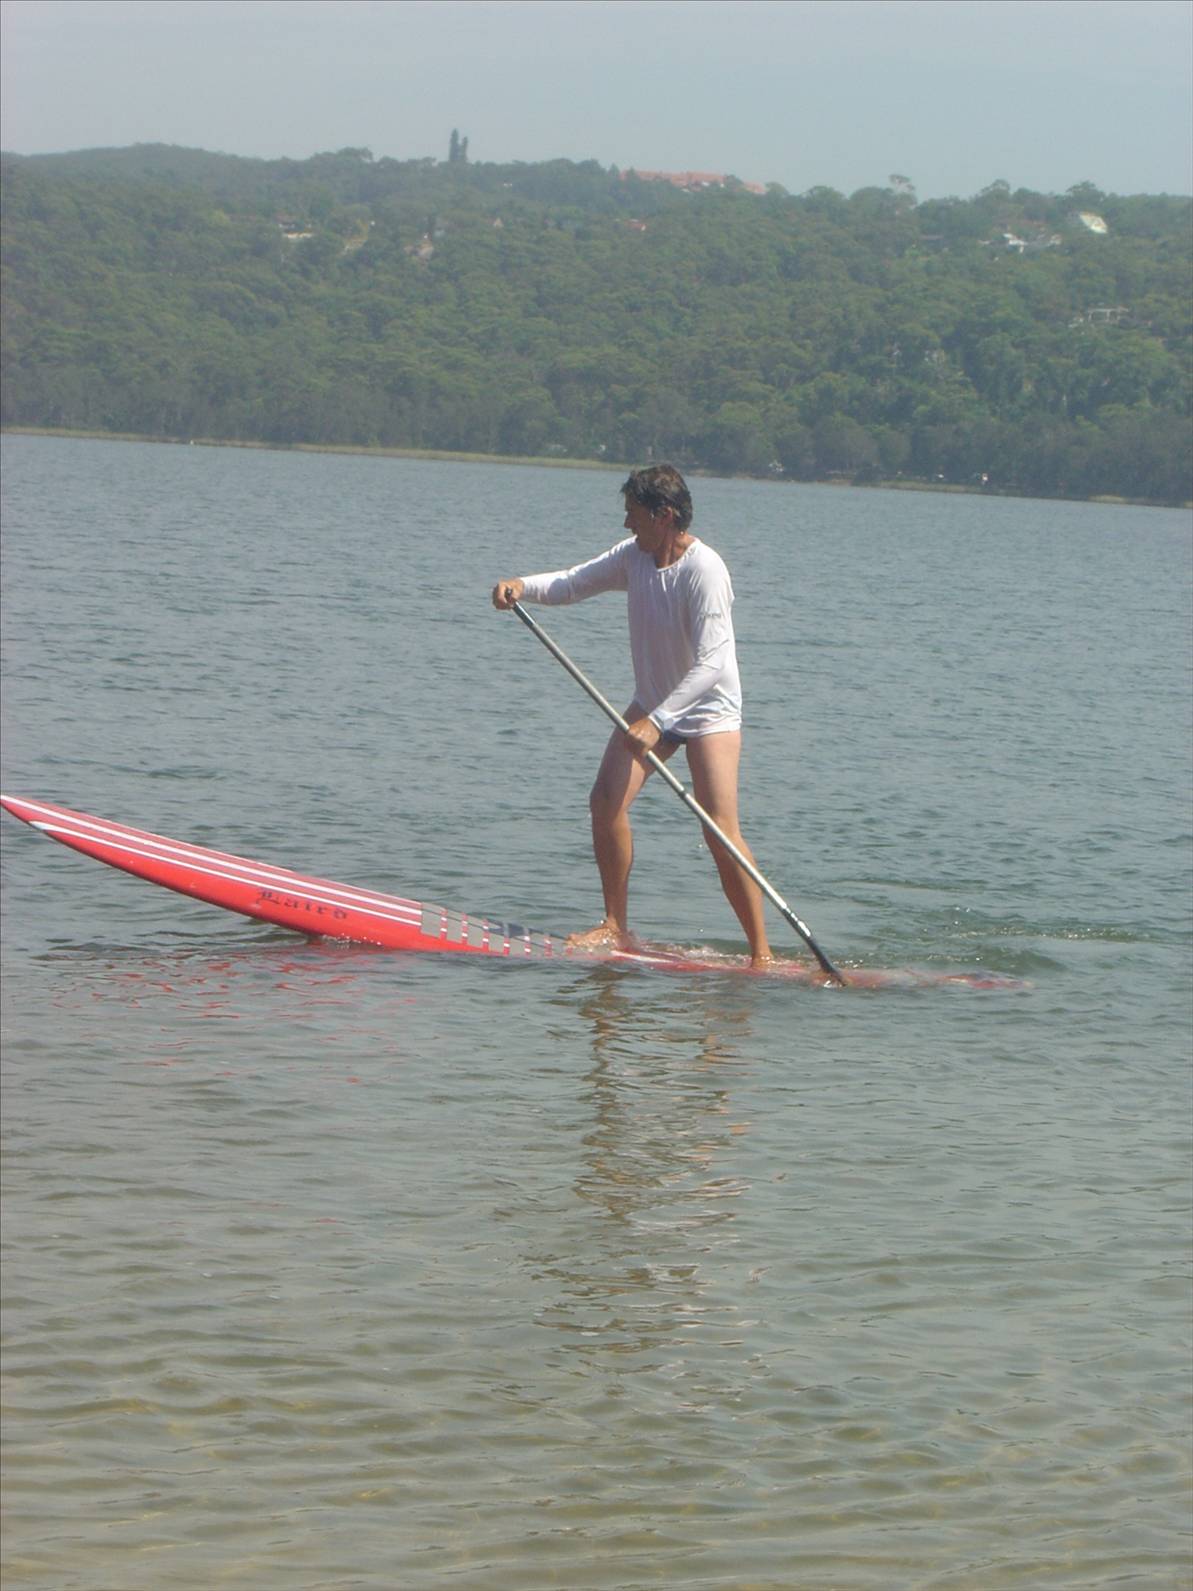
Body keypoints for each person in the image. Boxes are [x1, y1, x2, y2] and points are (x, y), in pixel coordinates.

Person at [492, 463, 775, 968]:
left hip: (709, 711)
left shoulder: (705, 570)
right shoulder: (635, 558)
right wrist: (521, 585)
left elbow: (712, 664)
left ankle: (761, 954)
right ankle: (616, 926)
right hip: (653, 702)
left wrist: (659, 720)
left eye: (634, 515)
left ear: (664, 515)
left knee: (719, 830)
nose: (626, 525)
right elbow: (574, 582)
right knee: (605, 800)